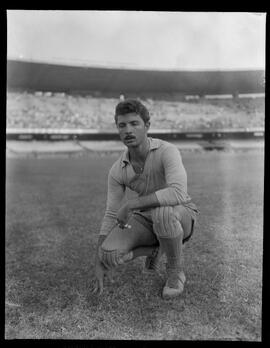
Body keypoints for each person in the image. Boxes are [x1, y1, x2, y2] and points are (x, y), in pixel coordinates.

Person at [92, 99, 199, 299]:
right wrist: (98, 262)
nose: (128, 130)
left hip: (181, 213)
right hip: (147, 219)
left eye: (134, 123)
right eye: (122, 125)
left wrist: (132, 204)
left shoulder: (167, 150)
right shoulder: (118, 170)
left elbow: (178, 193)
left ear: (147, 126)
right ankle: (154, 250)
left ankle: (175, 272)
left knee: (163, 214)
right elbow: (110, 214)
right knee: (108, 253)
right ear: (117, 128)